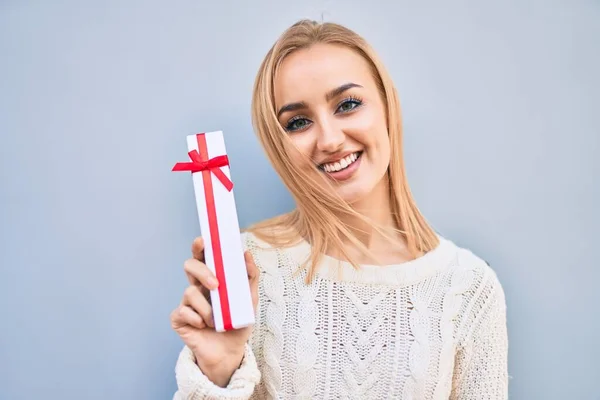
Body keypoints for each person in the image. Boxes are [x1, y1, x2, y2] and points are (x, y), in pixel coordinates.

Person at [170, 19, 509, 400]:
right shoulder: (247, 272)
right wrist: (218, 371)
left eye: (348, 105)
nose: (330, 140)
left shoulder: (468, 288)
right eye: (298, 122)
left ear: (387, 107)